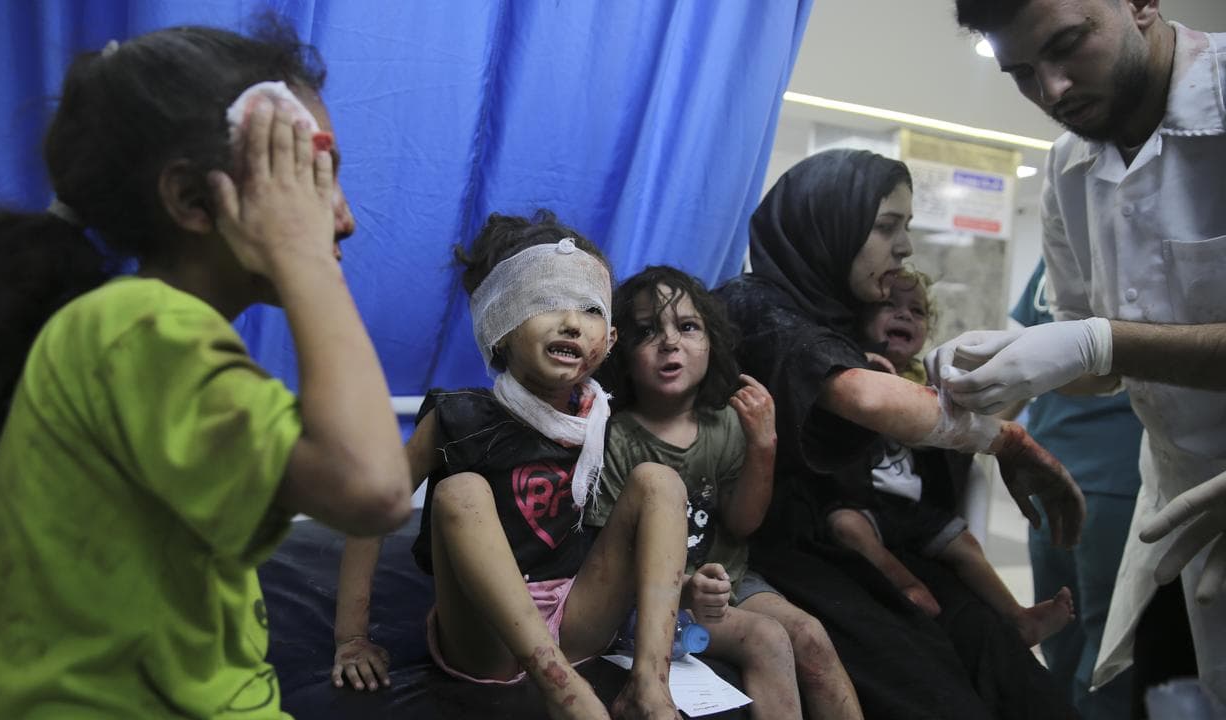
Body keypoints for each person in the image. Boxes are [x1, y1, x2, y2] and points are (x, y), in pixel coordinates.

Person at [0, 20, 415, 718]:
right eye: (312, 175)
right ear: (194, 201)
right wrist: (306, 259)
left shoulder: (143, 330)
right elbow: (373, 489)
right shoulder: (136, 330)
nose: (341, 217)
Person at [716, 148, 1084, 720]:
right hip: (764, 551)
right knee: (929, 684)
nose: (905, 246)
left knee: (1004, 660)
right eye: (887, 227)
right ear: (828, 226)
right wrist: (1009, 440)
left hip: (840, 540)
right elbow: (861, 395)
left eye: (905, 228)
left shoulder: (827, 317)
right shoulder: (755, 304)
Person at [943, 0, 1226, 702]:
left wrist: (1095, 342)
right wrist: (1021, 360)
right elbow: (1102, 370)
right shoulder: (1069, 170)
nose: (1054, 90)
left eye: (1069, 45)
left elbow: (1102, 345)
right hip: (1178, 493)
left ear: (1140, 4)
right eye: (1022, 74)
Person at [332, 211, 688, 720]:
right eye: (545, 302)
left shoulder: (599, 420)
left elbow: (649, 532)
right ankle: (562, 688)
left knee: (660, 480)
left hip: (575, 615)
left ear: (608, 340)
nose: (571, 321)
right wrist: (351, 638)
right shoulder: (458, 417)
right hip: (486, 636)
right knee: (461, 491)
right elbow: (370, 515)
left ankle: (650, 687)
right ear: (498, 325)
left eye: (590, 308)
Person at [588, 265, 861, 720]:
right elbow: (608, 558)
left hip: (732, 581)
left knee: (811, 635)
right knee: (768, 638)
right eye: (647, 330)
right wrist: (688, 588)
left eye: (687, 326)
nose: (670, 341)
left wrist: (763, 445)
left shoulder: (726, 425)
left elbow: (742, 522)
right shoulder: (617, 439)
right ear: (622, 352)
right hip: (654, 600)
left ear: (711, 342)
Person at [827, 268, 1075, 648]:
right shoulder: (848, 369)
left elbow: (951, 438)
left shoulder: (933, 382)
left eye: (918, 311)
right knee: (847, 527)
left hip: (914, 508)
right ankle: (907, 584)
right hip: (863, 504)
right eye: (889, 305)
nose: (904, 314)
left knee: (964, 544)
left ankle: (1018, 617)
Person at [999, 259, 1144, 719]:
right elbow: (1024, 369)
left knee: (1109, 653)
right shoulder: (1053, 257)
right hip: (1047, 470)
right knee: (1058, 630)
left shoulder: (1135, 251)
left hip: (1120, 473)